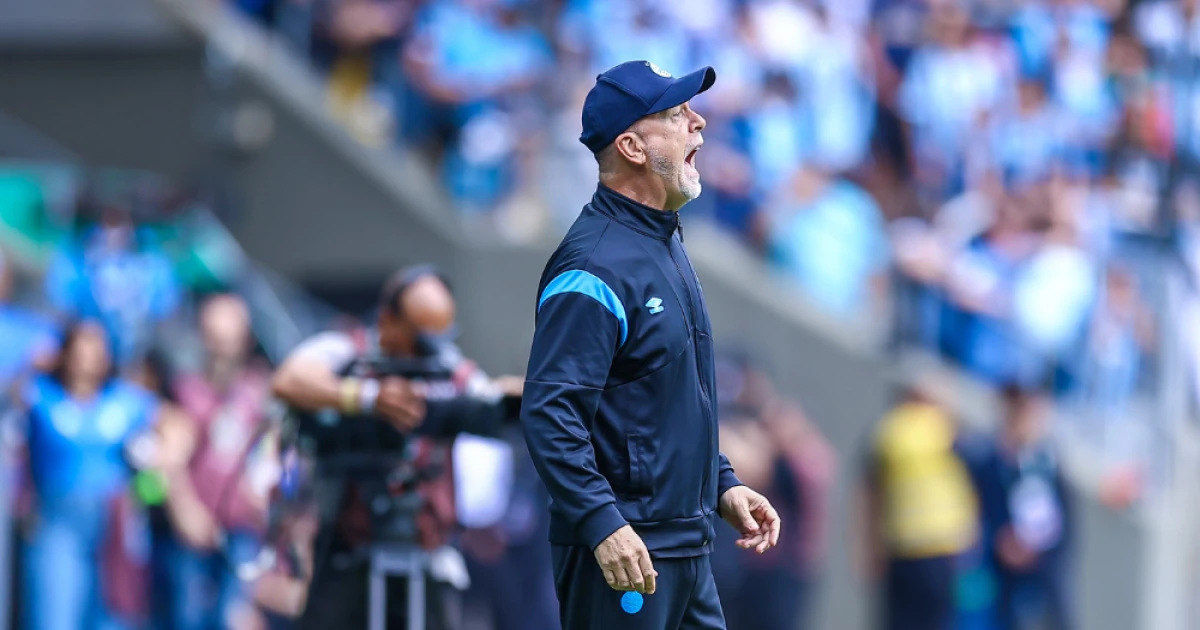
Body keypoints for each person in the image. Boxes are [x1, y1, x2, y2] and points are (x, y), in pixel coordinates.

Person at [520, 60, 781, 630]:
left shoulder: (662, 242)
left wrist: (721, 483)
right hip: (626, 556)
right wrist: (603, 524)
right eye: (677, 113)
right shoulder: (593, 264)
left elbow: (666, 401)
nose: (699, 122)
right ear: (633, 147)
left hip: (686, 548)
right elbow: (549, 411)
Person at [270, 265, 521, 630]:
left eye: (440, 336)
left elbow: (487, 401)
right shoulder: (348, 351)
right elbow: (288, 380)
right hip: (349, 546)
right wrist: (367, 399)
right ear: (388, 319)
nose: (429, 349)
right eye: (420, 336)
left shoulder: (448, 366)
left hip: (428, 551)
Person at [18, 321, 162, 630]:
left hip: (113, 521)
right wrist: (28, 367)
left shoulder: (126, 401)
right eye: (81, 348)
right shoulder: (41, 395)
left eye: (96, 348)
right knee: (55, 614)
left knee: (112, 616)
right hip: (58, 521)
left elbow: (177, 427)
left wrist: (156, 466)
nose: (89, 358)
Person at [163, 294, 275, 630]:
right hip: (194, 527)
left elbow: (269, 452)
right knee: (188, 618)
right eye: (216, 339)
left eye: (230, 340)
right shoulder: (185, 391)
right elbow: (169, 458)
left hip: (242, 527)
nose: (223, 350)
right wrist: (185, 509)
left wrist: (264, 495)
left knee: (233, 616)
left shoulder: (258, 391)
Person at [856, 380, 979, 630]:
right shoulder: (945, 430)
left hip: (900, 547)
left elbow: (870, 493)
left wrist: (869, 548)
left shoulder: (888, 430)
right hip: (940, 549)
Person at [971, 382, 1075, 630]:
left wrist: (1034, 549)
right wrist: (1001, 542)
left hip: (1042, 573)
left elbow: (1064, 526)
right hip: (999, 575)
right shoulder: (990, 462)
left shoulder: (1048, 462)